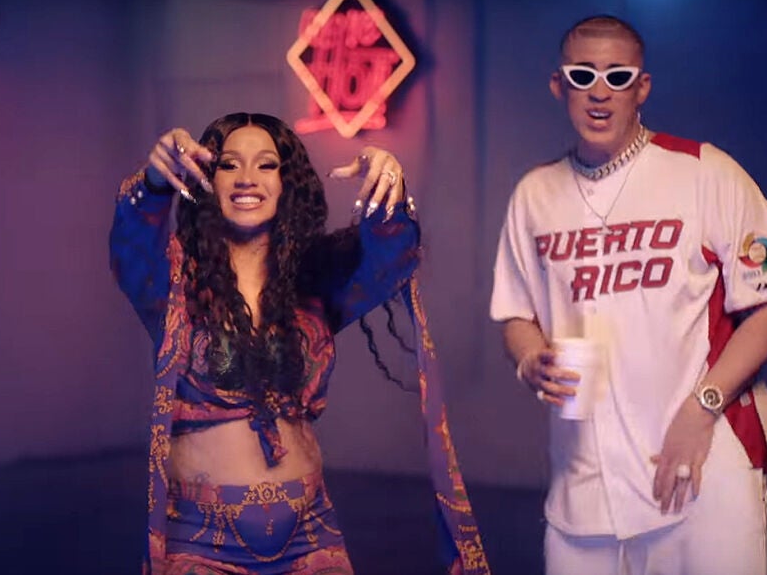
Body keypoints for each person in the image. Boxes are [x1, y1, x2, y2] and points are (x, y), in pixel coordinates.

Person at [110, 113, 490, 574]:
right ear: (207, 177)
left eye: (267, 164)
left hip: (311, 538)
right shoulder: (172, 282)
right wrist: (153, 183)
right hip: (199, 542)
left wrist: (388, 187)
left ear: (287, 182)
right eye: (229, 164)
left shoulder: (313, 279)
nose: (247, 178)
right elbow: (131, 239)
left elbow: (393, 255)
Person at [490, 15, 767, 575]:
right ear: (559, 86)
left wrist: (701, 409)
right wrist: (530, 358)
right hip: (582, 486)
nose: (600, 92)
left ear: (642, 87)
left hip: (705, 466)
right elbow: (516, 315)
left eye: (618, 77)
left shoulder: (705, 172)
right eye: (583, 75)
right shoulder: (534, 194)